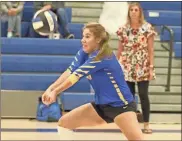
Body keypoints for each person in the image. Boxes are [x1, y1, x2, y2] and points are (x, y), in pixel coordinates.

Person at [42, 22, 144, 140]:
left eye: (87, 36)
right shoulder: (83, 53)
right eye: (83, 36)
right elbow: (70, 71)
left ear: (98, 39)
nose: (83, 40)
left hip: (121, 106)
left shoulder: (103, 56)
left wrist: (56, 92)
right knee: (64, 124)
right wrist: (51, 88)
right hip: (101, 106)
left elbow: (75, 77)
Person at [116, 2, 157, 134]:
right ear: (128, 13)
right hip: (127, 63)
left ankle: (146, 124)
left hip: (142, 63)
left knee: (144, 95)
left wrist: (151, 67)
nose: (133, 12)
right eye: (131, 10)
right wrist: (117, 65)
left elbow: (150, 49)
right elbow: (120, 49)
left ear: (140, 12)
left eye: (136, 10)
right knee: (129, 96)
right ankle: (131, 124)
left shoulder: (147, 28)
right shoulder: (123, 29)